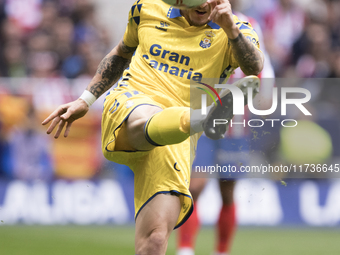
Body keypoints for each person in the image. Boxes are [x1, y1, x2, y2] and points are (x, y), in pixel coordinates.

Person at [42, 0, 264, 254]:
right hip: (131, 104)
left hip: (176, 140)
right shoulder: (146, 8)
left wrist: (230, 28)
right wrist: (86, 99)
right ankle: (202, 117)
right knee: (146, 117)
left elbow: (254, 68)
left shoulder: (238, 28)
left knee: (155, 240)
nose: (205, 3)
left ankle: (200, 118)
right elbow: (122, 52)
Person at [176, 5, 275, 255]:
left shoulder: (250, 23)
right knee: (195, 186)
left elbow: (263, 68)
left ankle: (221, 251)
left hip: (236, 125)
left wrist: (264, 94)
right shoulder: (201, 21)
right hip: (202, 119)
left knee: (227, 190)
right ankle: (185, 248)